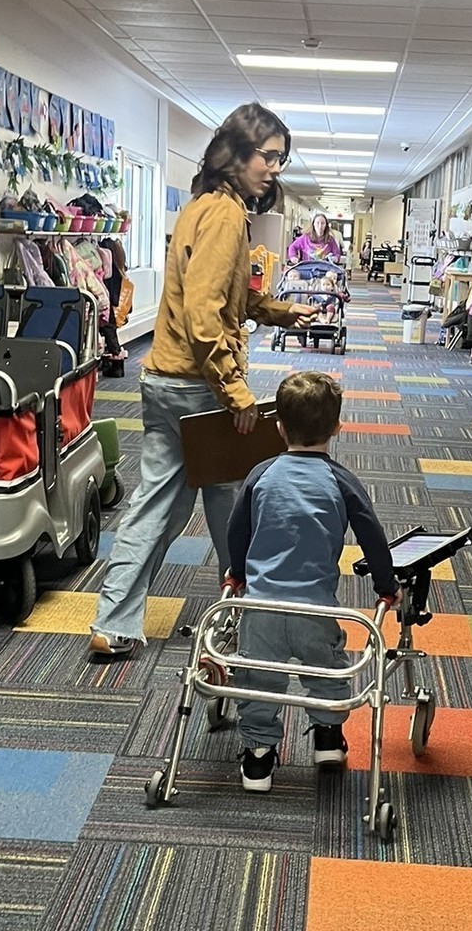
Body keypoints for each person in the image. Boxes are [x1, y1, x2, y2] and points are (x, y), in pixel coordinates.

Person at [89, 103, 318, 657]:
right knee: (233, 505)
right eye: (267, 156)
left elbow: (219, 295)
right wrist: (236, 392)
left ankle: (114, 621)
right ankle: (245, 616)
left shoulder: (202, 206)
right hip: (201, 389)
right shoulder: (224, 216)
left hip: (165, 379)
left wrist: (277, 312)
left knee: (155, 504)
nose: (274, 169)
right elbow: (205, 314)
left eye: (280, 160)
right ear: (235, 152)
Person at [226, 372, 398, 792]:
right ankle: (327, 738)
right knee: (327, 668)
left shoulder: (261, 474)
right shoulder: (341, 480)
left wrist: (238, 571)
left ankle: (258, 760)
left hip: (260, 607)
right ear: (338, 428)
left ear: (279, 427)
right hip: (316, 608)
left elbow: (236, 529)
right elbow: (372, 534)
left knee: (259, 679)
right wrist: (386, 584)